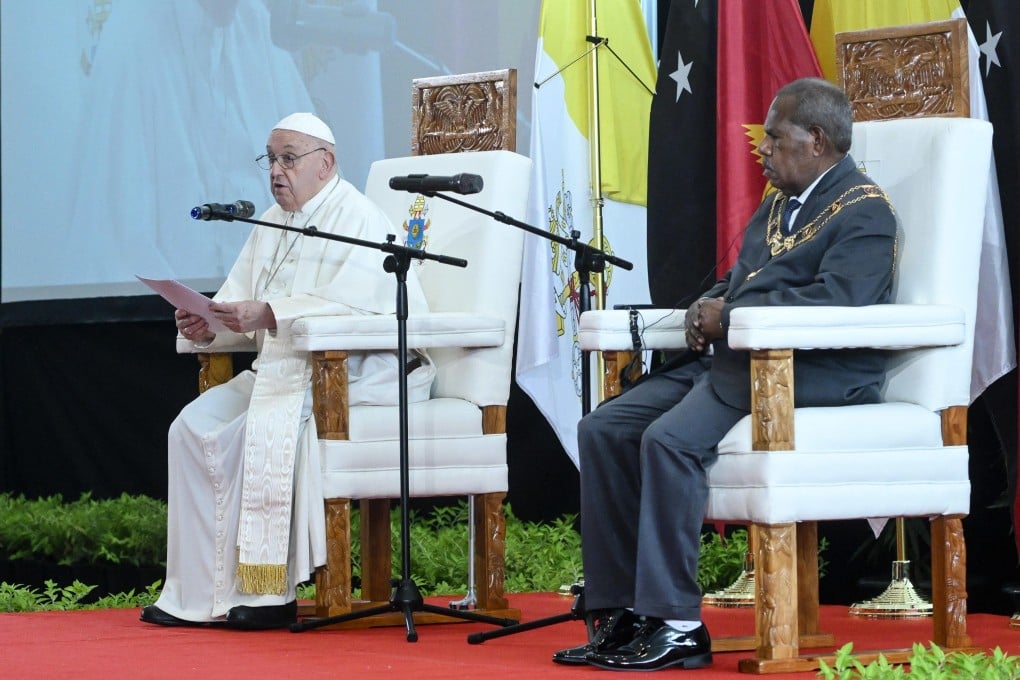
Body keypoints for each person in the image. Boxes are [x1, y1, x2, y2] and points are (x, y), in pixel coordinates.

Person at [554, 77, 897, 671]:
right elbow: (744, 280)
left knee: (667, 442)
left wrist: (730, 316)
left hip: (804, 371)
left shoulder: (866, 213)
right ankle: (618, 613)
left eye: (775, 137)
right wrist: (706, 306)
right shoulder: (778, 202)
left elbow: (839, 305)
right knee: (602, 430)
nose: (761, 149)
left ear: (816, 140)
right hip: (733, 359)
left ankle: (678, 623)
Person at [140, 112, 436, 630]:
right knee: (191, 427)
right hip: (282, 368)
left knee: (259, 430)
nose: (276, 171)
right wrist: (207, 325)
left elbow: (366, 310)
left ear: (326, 163)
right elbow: (239, 309)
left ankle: (269, 594)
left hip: (352, 371)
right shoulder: (271, 223)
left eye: (288, 159)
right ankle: (202, 594)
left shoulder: (359, 218)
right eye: (270, 159)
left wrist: (272, 313)